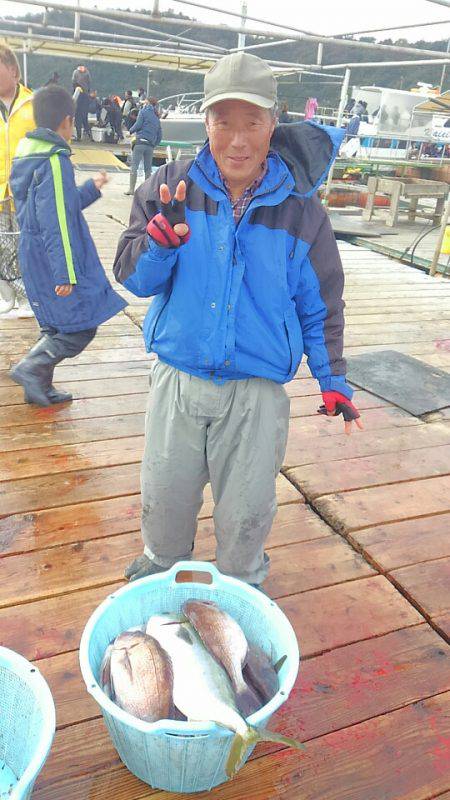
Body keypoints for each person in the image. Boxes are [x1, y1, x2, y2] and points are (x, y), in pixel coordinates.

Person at [113, 51, 363, 589]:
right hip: (177, 382)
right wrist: (158, 247)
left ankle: (241, 583)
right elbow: (132, 277)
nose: (238, 138)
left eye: (252, 121)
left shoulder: (303, 211)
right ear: (205, 122)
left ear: (275, 122)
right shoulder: (169, 185)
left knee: (247, 512)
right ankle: (160, 562)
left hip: (257, 393)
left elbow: (320, 304)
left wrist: (333, 378)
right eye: (223, 121)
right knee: (165, 494)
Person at [9, 85, 126, 406]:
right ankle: (32, 368)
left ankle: (39, 388)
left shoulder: (28, 156)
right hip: (53, 259)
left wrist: (91, 187)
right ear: (66, 121)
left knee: (54, 325)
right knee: (79, 328)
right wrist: (65, 273)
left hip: (34, 253)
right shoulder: (55, 160)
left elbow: (56, 205)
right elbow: (57, 221)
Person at [0, 44, 34, 317]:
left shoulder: (32, 104)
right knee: (1, 244)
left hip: (24, 190)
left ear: (12, 70)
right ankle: (6, 297)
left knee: (25, 244)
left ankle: (25, 298)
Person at [125, 97, 162, 195]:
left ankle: (131, 189)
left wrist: (130, 131)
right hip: (150, 145)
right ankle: (147, 191)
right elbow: (159, 135)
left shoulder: (143, 112)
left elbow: (138, 124)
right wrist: (154, 144)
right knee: (148, 169)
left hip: (140, 142)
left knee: (134, 167)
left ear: (147, 103)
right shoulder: (156, 117)